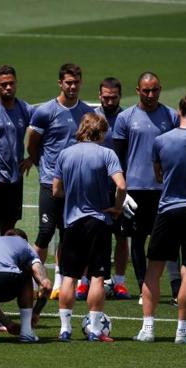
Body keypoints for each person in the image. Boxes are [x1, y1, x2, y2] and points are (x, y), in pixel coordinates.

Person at [135, 91, 186, 344]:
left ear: (178, 112)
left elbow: (158, 174)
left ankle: (148, 329)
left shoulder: (162, 140)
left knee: (154, 270)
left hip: (168, 209)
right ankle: (182, 331)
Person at [52, 113, 126, 342]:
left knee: (69, 276)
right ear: (101, 132)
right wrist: (116, 207)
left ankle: (65, 329)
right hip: (98, 221)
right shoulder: (106, 153)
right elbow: (121, 185)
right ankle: (94, 329)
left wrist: (73, 196)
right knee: (97, 275)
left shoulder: (65, 154)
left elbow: (56, 190)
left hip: (72, 222)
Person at [27, 63, 95, 300]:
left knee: (68, 235)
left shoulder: (87, 113)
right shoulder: (45, 111)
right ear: (60, 83)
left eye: (76, 82)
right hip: (49, 182)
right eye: (68, 82)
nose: (73, 86)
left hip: (75, 186)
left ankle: (58, 282)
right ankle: (34, 281)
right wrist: (43, 167)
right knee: (45, 232)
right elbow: (32, 144)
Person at [113, 72, 181, 304]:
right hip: (135, 190)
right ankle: (144, 288)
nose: (150, 95)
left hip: (163, 190)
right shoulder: (125, 117)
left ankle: (176, 288)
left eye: (154, 90)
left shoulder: (171, 116)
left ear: (160, 89)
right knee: (138, 239)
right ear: (138, 90)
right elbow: (118, 158)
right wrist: (121, 190)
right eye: (146, 90)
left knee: (169, 241)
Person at [79, 76, 130, 301]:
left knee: (121, 235)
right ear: (99, 96)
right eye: (106, 97)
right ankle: (83, 281)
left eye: (114, 97)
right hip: (94, 186)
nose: (110, 101)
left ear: (120, 96)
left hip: (119, 184)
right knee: (89, 234)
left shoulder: (126, 118)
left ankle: (119, 282)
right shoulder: (91, 119)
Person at [0, 65, 35, 235]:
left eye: (11, 83)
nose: (8, 88)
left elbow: (46, 130)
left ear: (16, 84)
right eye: (3, 84)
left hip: (15, 180)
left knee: (9, 230)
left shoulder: (25, 109)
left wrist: (32, 158)